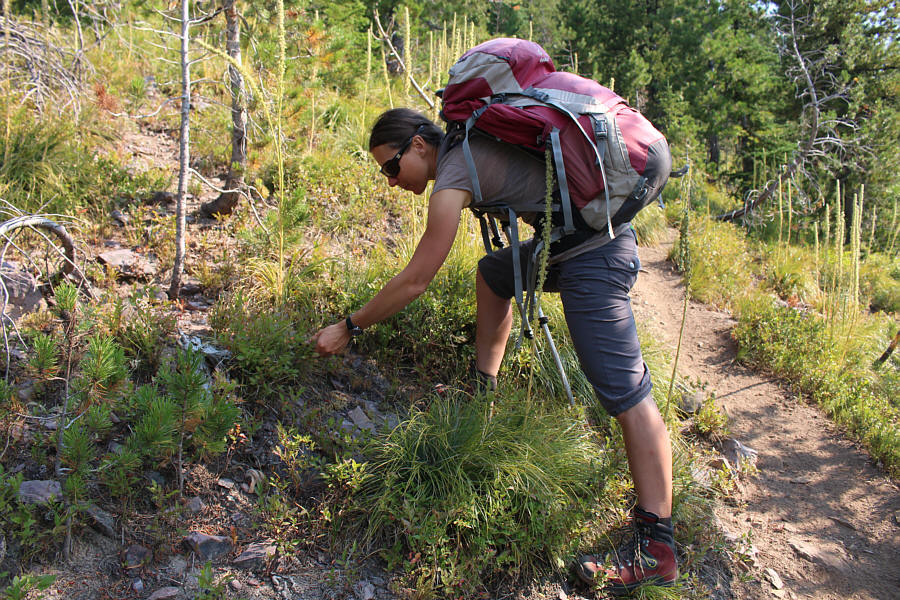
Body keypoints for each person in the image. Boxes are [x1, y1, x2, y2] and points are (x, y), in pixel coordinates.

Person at [311, 107, 677, 593]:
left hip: (595, 255)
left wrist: (349, 327)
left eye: (391, 167)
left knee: (626, 395)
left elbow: (417, 279)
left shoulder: (453, 173)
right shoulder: (465, 150)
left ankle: (657, 549)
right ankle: (483, 390)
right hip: (570, 244)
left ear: (418, 145)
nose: (392, 181)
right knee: (494, 274)